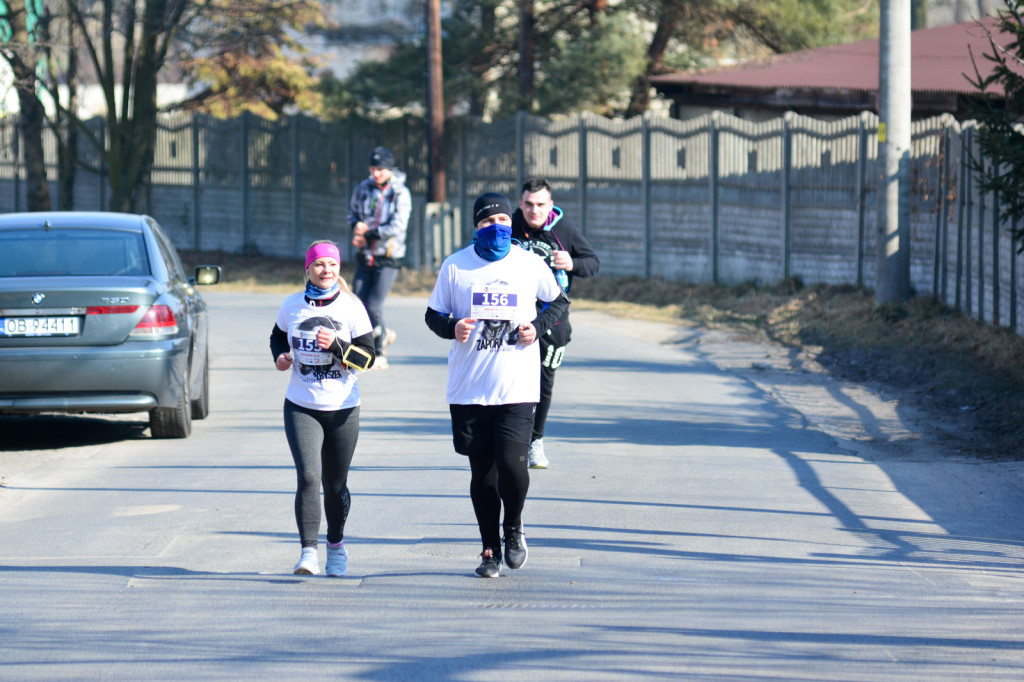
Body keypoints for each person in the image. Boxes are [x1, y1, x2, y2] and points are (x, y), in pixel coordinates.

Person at [425, 192, 569, 578]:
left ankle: (514, 527)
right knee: (482, 474)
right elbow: (432, 315)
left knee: (512, 467)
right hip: (470, 388)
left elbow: (558, 303)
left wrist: (536, 329)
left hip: (517, 385)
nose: (498, 228)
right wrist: (451, 327)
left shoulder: (529, 263)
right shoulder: (456, 267)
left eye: (504, 221)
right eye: (489, 223)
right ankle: (489, 549)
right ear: (476, 227)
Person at [270, 240, 376, 577]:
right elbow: (277, 336)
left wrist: (338, 346)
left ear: (338, 269)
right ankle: (307, 553)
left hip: (343, 408)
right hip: (301, 405)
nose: (326, 270)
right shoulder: (291, 305)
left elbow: (367, 360)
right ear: (308, 269)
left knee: (334, 484)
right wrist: (281, 357)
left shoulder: (351, 308)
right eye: (319, 265)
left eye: (331, 265)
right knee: (308, 477)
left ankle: (336, 544)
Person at [510, 177, 600, 468]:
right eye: (528, 204)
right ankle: (512, 442)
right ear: (520, 204)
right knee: (511, 380)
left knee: (544, 381)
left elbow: (592, 263)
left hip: (553, 316)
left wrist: (572, 263)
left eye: (540, 205)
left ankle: (536, 441)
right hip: (515, 315)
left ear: (550, 205)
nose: (533, 211)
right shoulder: (508, 225)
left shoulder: (565, 229)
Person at [348, 146, 411, 369]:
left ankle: (380, 352)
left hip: (388, 256)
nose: (376, 174)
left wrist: (372, 233)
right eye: (374, 169)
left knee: (373, 305)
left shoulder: (400, 192)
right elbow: (352, 213)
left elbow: (399, 225)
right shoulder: (362, 188)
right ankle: (378, 337)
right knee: (357, 302)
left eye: (381, 169)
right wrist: (357, 224)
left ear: (390, 169)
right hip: (365, 254)